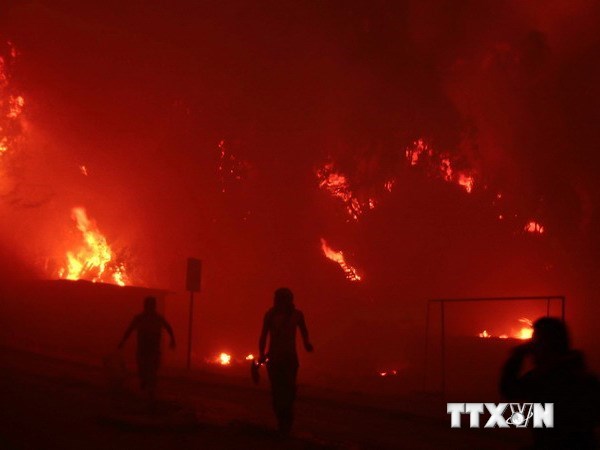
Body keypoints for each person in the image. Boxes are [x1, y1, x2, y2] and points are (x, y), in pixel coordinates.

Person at [500, 317, 599, 449]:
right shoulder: (582, 376)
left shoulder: (545, 378)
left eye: (536, 340)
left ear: (547, 343)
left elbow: (509, 389)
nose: (532, 346)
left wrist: (517, 356)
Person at [259, 287, 313, 435]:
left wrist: (307, 343)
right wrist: (261, 353)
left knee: (288, 391)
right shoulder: (270, 315)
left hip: (289, 359)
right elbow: (263, 335)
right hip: (275, 359)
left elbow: (304, 331)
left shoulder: (297, 315)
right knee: (277, 391)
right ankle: (281, 422)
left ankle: (286, 423)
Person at [118, 296, 176, 399]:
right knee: (144, 368)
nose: (150, 308)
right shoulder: (141, 318)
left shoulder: (155, 318)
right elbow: (130, 329)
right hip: (144, 349)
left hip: (152, 349)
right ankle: (146, 386)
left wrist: (172, 339)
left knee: (152, 369)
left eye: (151, 306)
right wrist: (123, 341)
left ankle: (150, 391)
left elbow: (168, 327)